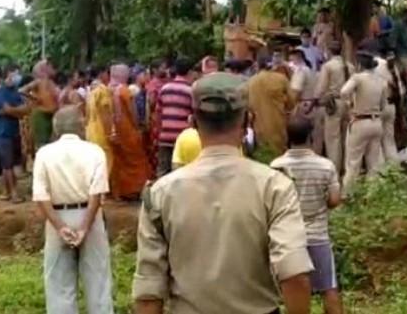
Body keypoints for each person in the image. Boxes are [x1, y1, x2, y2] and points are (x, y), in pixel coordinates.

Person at [133, 72, 313, 314]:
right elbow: (294, 276)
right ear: (248, 120)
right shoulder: (275, 186)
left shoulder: (160, 194)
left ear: (192, 122)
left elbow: (148, 295)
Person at [32, 105, 113, 314]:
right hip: (90, 214)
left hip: (57, 216)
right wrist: (85, 227)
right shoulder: (95, 151)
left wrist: (59, 227)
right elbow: (97, 192)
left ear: (56, 129)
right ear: (82, 126)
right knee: (98, 281)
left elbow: (41, 195)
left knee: (59, 284)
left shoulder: (44, 153)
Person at [270, 117, 343, 314]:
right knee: (329, 289)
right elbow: (335, 200)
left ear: (288, 137)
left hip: (288, 238)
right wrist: (322, 203)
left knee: (290, 295)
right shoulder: (325, 166)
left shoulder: (276, 166)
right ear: (311, 136)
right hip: (318, 236)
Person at [340, 50, 388, 196]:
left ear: (359, 64)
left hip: (360, 121)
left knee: (353, 162)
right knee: (373, 163)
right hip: (376, 122)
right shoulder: (381, 81)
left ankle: (348, 194)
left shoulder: (357, 78)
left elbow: (343, 91)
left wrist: (350, 104)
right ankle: (372, 194)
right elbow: (383, 105)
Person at [108, 64, 150, 200]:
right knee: (137, 161)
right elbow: (133, 113)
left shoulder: (106, 89)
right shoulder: (125, 91)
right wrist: (139, 126)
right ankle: (134, 190)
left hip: (113, 132)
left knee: (119, 163)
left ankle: (121, 191)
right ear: (124, 75)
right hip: (128, 132)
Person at [315, 41, 355, 172]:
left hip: (334, 102)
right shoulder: (350, 66)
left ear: (329, 51)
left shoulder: (328, 66)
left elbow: (321, 88)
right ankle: (347, 167)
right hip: (348, 103)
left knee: (333, 139)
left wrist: (316, 100)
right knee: (346, 137)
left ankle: (334, 169)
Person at [0, 65, 29, 202]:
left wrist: (10, 111)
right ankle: (14, 193)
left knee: (11, 162)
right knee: (8, 164)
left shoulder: (15, 92)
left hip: (14, 130)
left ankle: (7, 191)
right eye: (15, 74)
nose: (17, 77)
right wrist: (16, 111)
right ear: (8, 75)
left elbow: (26, 110)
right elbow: (8, 109)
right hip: (4, 131)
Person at [248, 55, 295, 155]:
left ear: (258, 66)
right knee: (280, 154)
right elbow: (292, 102)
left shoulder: (251, 82)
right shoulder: (281, 79)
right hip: (278, 124)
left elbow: (248, 107)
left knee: (264, 154)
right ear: (272, 66)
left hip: (259, 126)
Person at [156, 56, 194, 177]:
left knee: (163, 172)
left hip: (165, 137)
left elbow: (158, 113)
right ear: (190, 72)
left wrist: (159, 132)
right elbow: (194, 116)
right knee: (181, 174)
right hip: (183, 139)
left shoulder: (164, 89)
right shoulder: (190, 91)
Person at [20, 59, 59, 151]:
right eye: (50, 67)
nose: (53, 69)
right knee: (42, 145)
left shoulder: (51, 83)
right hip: (41, 115)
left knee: (51, 145)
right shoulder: (38, 82)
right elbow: (22, 90)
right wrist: (36, 99)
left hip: (51, 116)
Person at [85, 66, 114, 175]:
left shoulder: (90, 91)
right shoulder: (103, 90)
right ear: (102, 74)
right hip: (101, 134)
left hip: (91, 133)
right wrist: (110, 134)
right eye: (108, 74)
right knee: (104, 167)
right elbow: (105, 113)